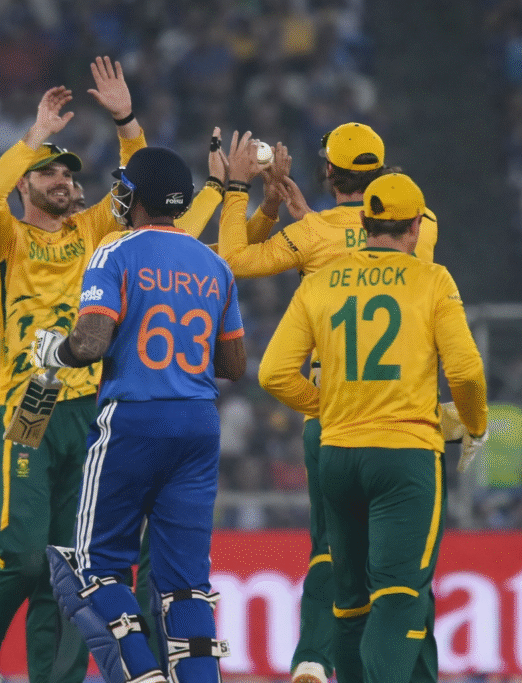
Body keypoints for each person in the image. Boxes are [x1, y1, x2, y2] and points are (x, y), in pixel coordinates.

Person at [0, 57, 223, 683]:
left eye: (70, 172)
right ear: (27, 185)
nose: (66, 180)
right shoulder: (5, 238)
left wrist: (126, 119)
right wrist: (33, 136)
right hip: (28, 404)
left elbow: (143, 190)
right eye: (51, 173)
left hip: (89, 410)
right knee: (16, 551)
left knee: (69, 561)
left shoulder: (96, 229)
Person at [219, 123, 446, 683]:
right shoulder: (427, 229)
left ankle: (315, 657)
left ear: (326, 173)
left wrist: (251, 196)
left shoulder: (312, 234)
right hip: (404, 417)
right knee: (407, 575)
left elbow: (232, 258)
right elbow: (377, 236)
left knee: (334, 550)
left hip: (334, 414)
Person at [257, 172, 488, 683]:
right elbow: (467, 372)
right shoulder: (433, 280)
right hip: (404, 455)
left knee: (351, 601)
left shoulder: (319, 283)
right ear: (413, 230)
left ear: (363, 224)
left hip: (337, 453)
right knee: (401, 596)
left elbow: (273, 372)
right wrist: (475, 425)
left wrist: (328, 407)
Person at [37, 145, 246, 683]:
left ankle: (140, 674)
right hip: (199, 423)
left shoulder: (115, 250)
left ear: (134, 195)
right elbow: (234, 363)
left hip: (132, 418)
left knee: (93, 567)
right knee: (186, 585)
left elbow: (89, 342)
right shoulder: (215, 265)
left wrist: (53, 353)